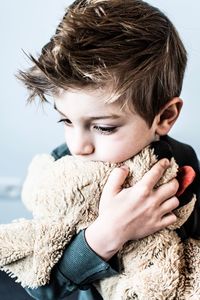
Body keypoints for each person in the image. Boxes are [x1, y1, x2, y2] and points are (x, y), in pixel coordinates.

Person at [17, 0, 200, 299]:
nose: (78, 146)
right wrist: (106, 235)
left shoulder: (182, 160)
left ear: (165, 117)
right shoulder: (61, 170)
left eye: (103, 127)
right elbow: (41, 288)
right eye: (66, 120)